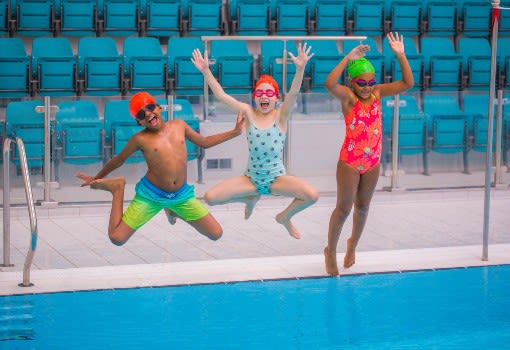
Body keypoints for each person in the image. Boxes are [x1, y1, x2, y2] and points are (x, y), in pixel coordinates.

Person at [76, 92, 244, 246]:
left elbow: (205, 142)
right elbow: (119, 160)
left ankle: (173, 209)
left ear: (159, 107)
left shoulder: (179, 125)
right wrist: (96, 177)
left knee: (216, 233)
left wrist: (235, 132)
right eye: (142, 114)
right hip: (151, 196)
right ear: (139, 122)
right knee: (117, 238)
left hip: (181, 195)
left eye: (149, 108)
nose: (148, 114)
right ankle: (117, 189)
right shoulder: (140, 139)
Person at [191, 43, 319, 239]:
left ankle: (284, 217)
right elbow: (221, 96)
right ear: (254, 98)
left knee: (312, 195)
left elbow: (293, 94)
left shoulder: (281, 116)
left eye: (269, 94)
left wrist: (300, 69)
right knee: (210, 198)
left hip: (277, 179)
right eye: (260, 93)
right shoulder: (249, 113)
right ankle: (249, 198)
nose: (264, 97)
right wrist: (206, 71)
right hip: (250, 179)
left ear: (276, 99)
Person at [323, 32, 414, 275]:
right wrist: (347, 58)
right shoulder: (349, 98)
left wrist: (401, 55)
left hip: (372, 162)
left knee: (363, 207)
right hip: (350, 162)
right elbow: (329, 84)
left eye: (370, 82)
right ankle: (330, 251)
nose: (367, 87)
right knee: (343, 209)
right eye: (361, 83)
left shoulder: (378, 93)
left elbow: (407, 83)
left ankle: (352, 244)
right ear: (352, 82)